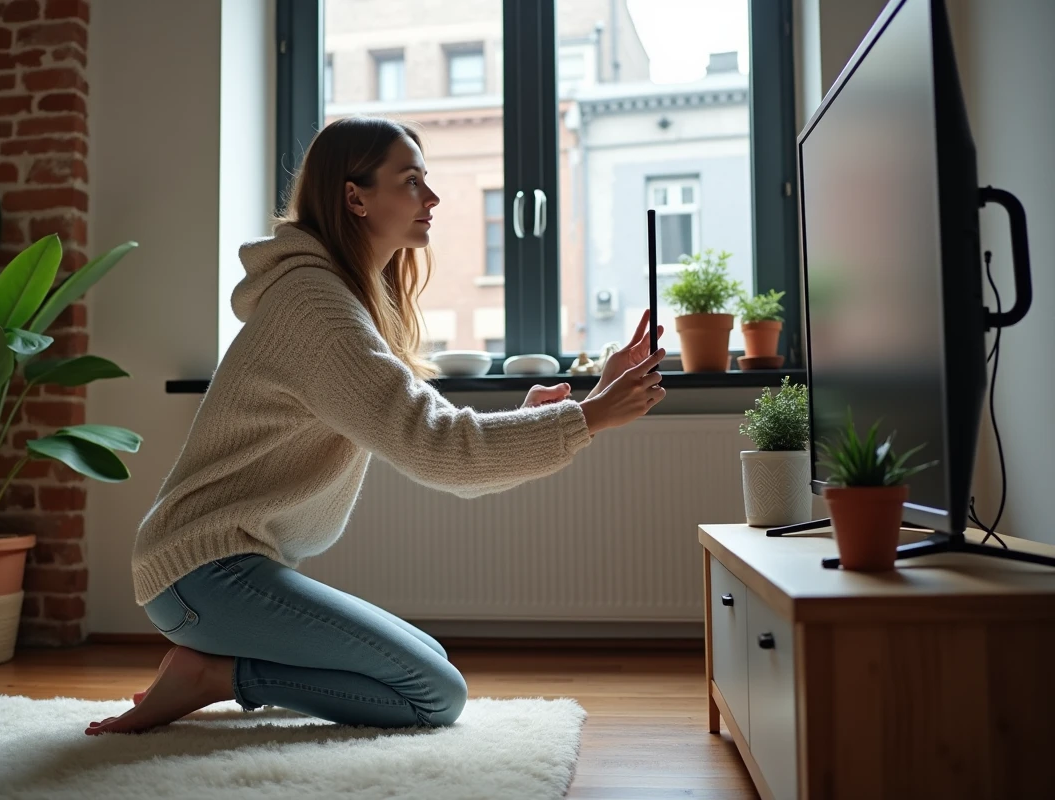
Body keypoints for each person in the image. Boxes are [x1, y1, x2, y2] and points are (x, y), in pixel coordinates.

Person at [86, 116, 666, 736]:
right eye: (411, 181)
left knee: (429, 665)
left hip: (225, 571)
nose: (433, 199)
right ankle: (214, 676)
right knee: (434, 694)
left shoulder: (341, 300)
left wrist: (563, 415)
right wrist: (588, 416)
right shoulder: (318, 308)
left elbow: (444, 449)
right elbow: (441, 451)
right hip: (202, 575)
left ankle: (214, 667)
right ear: (354, 196)